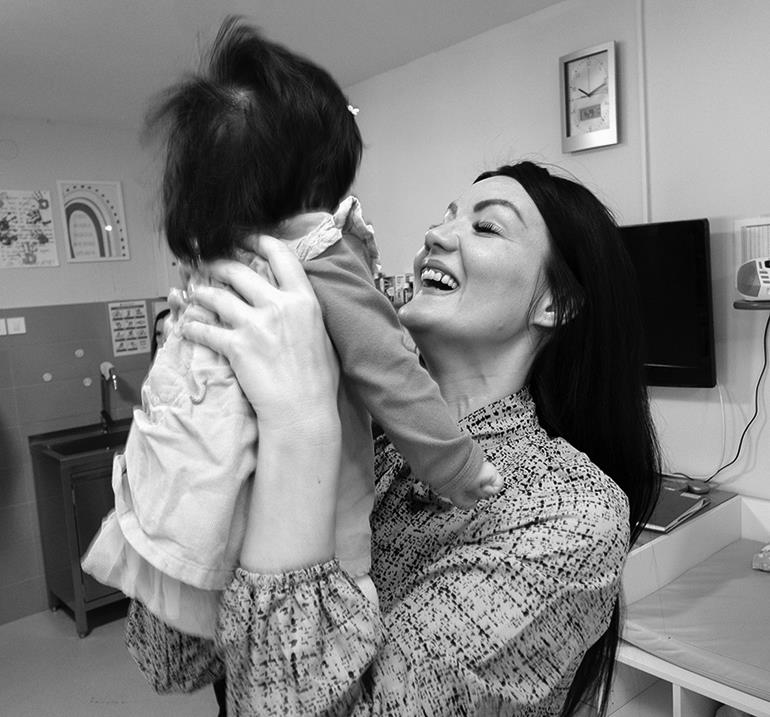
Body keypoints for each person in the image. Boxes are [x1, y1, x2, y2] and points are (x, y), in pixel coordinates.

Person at [123, 161, 661, 716]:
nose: (436, 235)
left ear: (556, 304)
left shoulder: (569, 510)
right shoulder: (365, 440)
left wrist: (300, 428)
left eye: (487, 227)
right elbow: (171, 660)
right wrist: (200, 407)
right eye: (446, 216)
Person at [81, 16, 499, 645]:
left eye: (485, 226)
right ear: (319, 181)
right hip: (322, 555)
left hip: (199, 540)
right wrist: (455, 465)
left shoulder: (214, 274)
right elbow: (388, 368)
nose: (437, 234)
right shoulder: (316, 256)